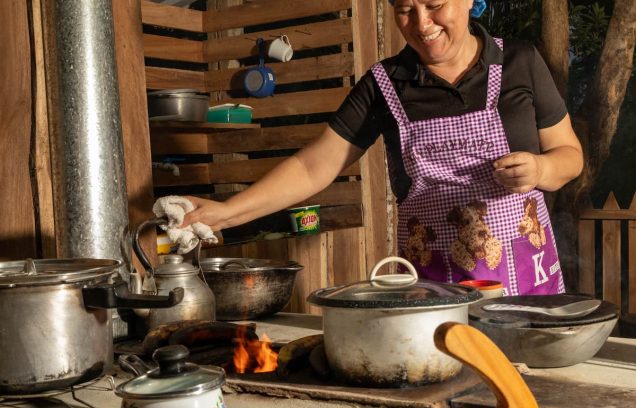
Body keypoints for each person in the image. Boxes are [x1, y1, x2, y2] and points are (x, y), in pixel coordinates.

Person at [181, 0, 583, 296]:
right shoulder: (384, 84)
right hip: (436, 296)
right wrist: (224, 214)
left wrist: (540, 170)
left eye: (433, 5)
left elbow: (570, 156)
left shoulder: (520, 62)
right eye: (405, 9)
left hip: (526, 288)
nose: (422, 24)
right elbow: (313, 167)